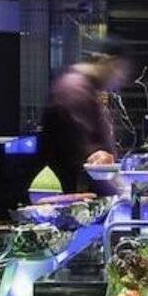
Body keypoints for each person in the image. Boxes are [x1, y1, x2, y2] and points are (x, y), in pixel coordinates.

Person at [38, 37, 134, 196]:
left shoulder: (85, 88)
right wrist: (122, 193)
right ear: (109, 62)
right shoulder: (74, 90)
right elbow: (89, 161)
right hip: (74, 198)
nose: (120, 80)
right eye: (120, 71)